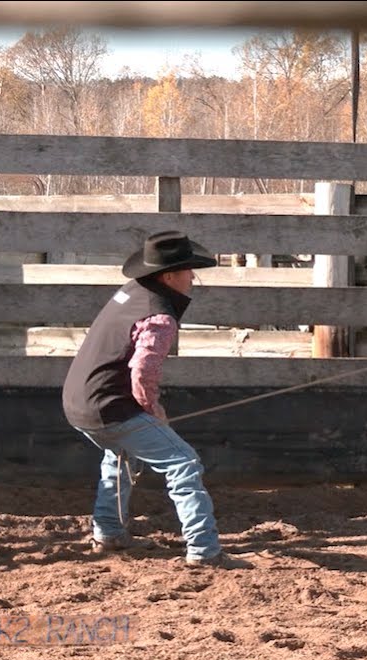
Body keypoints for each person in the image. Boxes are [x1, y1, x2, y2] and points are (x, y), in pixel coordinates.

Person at [62, 230, 250, 569]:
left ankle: (109, 532)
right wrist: (153, 410)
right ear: (168, 276)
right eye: (188, 270)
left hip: (79, 402)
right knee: (183, 463)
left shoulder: (131, 292)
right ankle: (204, 550)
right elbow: (143, 371)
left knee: (120, 455)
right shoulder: (159, 316)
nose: (193, 277)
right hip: (109, 405)